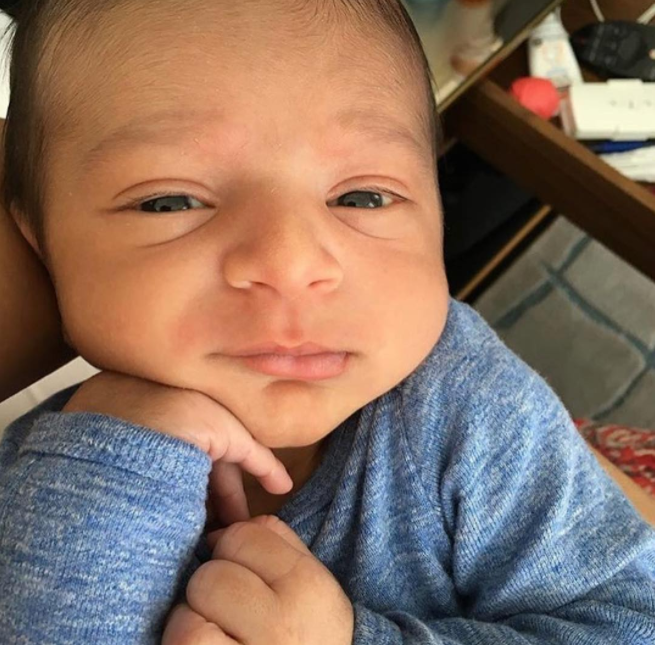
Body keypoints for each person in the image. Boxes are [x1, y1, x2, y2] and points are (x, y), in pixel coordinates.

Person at [0, 0, 654, 643]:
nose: (292, 262)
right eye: (169, 201)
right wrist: (113, 467)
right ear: (40, 244)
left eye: (363, 197)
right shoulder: (54, 469)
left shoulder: (470, 406)